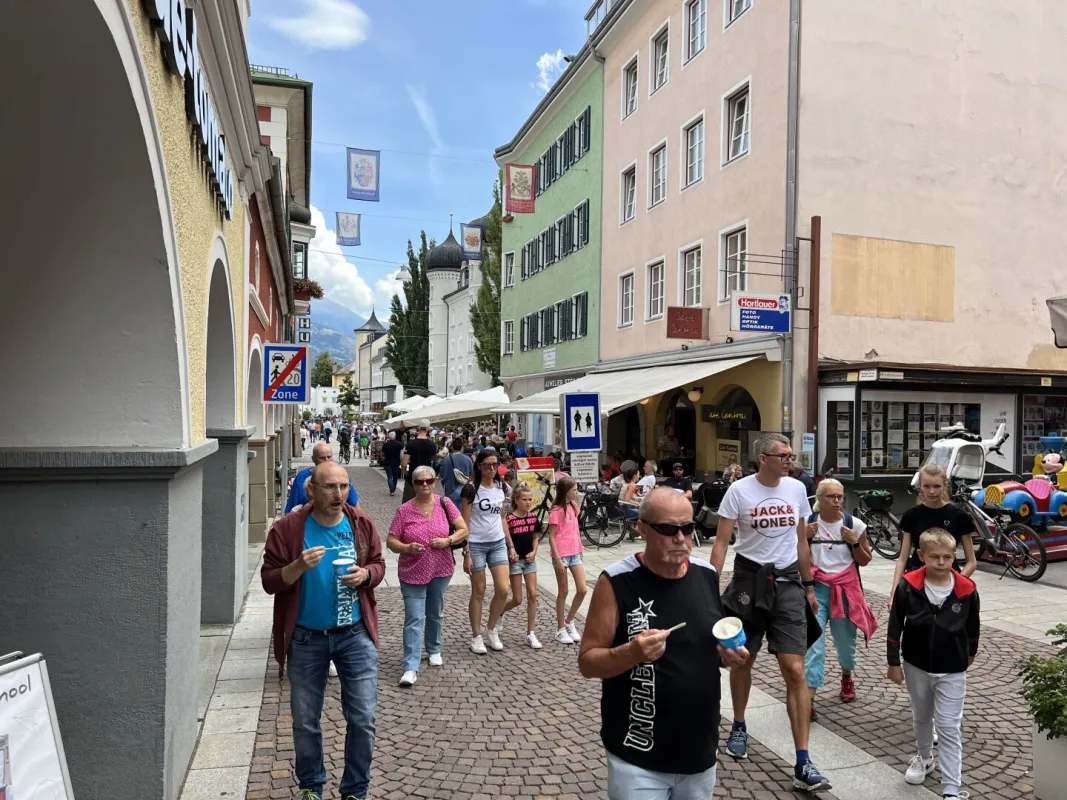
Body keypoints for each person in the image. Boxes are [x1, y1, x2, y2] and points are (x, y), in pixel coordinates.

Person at [578, 488, 750, 798]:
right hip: (638, 755)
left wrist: (726, 655)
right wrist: (631, 652)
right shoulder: (617, 581)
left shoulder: (706, 574)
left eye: (687, 528)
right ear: (641, 528)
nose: (680, 538)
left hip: (699, 751)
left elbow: (704, 644)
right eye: (668, 529)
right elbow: (588, 662)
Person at [712, 432, 832, 792]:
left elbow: (800, 541)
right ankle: (738, 723)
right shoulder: (739, 491)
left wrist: (809, 585)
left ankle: (803, 760)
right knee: (742, 659)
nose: (790, 460)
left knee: (794, 669)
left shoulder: (796, 490)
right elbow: (721, 542)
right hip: (749, 582)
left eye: (791, 455)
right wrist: (707, 588)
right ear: (762, 458)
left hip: (789, 584)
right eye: (783, 455)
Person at [260, 461, 386, 800]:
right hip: (305, 639)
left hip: (355, 635)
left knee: (362, 718)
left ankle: (355, 791)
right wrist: (298, 566)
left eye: (344, 486)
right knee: (305, 722)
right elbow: (269, 582)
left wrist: (367, 576)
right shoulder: (287, 530)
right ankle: (311, 786)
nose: (339, 494)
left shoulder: (360, 523)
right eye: (330, 487)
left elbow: (378, 563)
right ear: (311, 490)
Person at [887, 528, 980, 800]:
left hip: (952, 667)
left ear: (954, 557)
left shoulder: (967, 589)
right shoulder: (908, 585)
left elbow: (973, 626)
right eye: (935, 557)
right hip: (916, 664)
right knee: (922, 717)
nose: (941, 563)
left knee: (950, 727)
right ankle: (925, 758)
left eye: (947, 557)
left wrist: (969, 653)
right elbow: (896, 626)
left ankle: (951, 789)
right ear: (921, 556)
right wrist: (894, 661)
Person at [386, 465, 469, 687]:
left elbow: (463, 529)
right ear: (413, 484)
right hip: (412, 571)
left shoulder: (445, 504)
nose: (425, 485)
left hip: (440, 569)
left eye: (429, 481)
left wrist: (448, 541)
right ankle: (410, 667)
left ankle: (434, 648)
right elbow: (391, 541)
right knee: (414, 618)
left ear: (435, 482)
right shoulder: (404, 510)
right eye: (420, 481)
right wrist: (406, 547)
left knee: (435, 612)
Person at [804, 478, 878, 720]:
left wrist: (854, 541)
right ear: (819, 498)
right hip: (817, 589)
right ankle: (809, 699)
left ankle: (847, 675)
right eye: (831, 497)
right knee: (813, 645)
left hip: (846, 590)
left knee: (846, 643)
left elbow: (865, 560)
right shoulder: (809, 524)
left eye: (840, 497)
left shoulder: (854, 524)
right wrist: (804, 538)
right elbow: (798, 558)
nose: (836, 501)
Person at [889, 462, 978, 602]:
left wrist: (957, 584)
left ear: (944, 486)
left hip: (949, 579)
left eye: (936, 486)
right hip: (917, 581)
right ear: (920, 486)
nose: (931, 491)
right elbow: (902, 558)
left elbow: (971, 561)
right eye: (927, 486)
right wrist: (895, 590)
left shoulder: (959, 516)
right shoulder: (912, 515)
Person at [461, 449, 515, 654]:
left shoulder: (501, 487)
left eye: (494, 465)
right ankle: (476, 636)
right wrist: (466, 551)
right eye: (487, 465)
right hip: (476, 544)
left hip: (498, 542)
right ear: (479, 466)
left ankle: (491, 628)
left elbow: (502, 517)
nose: (491, 469)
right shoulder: (470, 489)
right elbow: (463, 522)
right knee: (479, 591)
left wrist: (510, 544)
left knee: (503, 589)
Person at [501, 484, 543, 649]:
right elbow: (506, 540)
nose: (528, 502)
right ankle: (500, 612)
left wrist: (534, 552)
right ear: (516, 500)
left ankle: (530, 633)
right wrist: (511, 554)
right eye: (524, 499)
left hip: (529, 561)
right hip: (516, 562)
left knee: (533, 594)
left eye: (530, 499)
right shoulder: (510, 520)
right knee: (517, 599)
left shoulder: (533, 517)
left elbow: (535, 537)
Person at [548, 477, 586, 645]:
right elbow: (551, 536)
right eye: (574, 490)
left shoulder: (574, 506)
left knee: (582, 589)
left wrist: (580, 549)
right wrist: (558, 559)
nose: (576, 492)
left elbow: (575, 530)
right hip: (561, 555)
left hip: (575, 552)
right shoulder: (556, 510)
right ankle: (560, 628)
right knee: (563, 591)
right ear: (565, 491)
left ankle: (569, 621)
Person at [286, 442, 359, 514]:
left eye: (329, 457)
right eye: (322, 458)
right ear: (313, 459)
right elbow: (290, 509)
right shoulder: (301, 477)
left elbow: (355, 505)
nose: (327, 460)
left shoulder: (340, 476)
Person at [401, 421, 438, 503]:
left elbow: (403, 464)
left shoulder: (411, 444)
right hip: (427, 480)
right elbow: (434, 462)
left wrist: (406, 472)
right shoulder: (432, 445)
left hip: (413, 480)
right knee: (425, 504)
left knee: (408, 505)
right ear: (428, 430)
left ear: (418, 429)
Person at [438, 437, 474, 507]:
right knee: (462, 513)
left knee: (451, 513)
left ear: (451, 447)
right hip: (465, 489)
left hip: (450, 489)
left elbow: (442, 474)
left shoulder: (446, 460)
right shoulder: (468, 459)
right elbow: (471, 474)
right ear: (462, 447)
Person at [381, 431, 404, 496]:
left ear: (389, 437)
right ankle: (393, 489)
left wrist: (383, 458)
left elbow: (382, 453)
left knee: (389, 477)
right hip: (396, 462)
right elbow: (401, 454)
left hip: (387, 462)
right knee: (395, 476)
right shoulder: (399, 444)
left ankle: (391, 490)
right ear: (395, 437)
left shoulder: (386, 444)